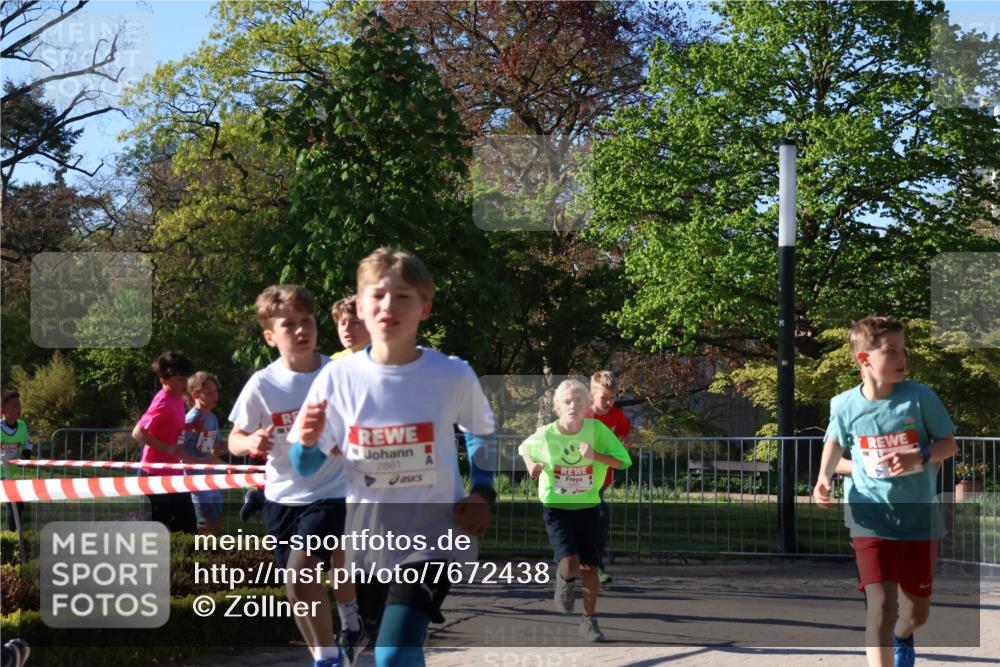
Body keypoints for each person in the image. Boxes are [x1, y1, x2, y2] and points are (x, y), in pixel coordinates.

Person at [289, 247, 497, 667]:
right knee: (391, 647)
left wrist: (483, 492)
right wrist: (307, 444)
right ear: (361, 307)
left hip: (434, 538)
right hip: (366, 545)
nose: (389, 306)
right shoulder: (337, 377)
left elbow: (480, 434)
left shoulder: (452, 373)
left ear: (425, 307)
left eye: (403, 296)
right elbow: (305, 467)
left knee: (393, 653)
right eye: (378, 295)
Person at [227, 284, 361, 667]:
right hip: (281, 497)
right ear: (271, 336)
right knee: (296, 587)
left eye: (307, 322)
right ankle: (326, 655)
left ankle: (335, 647)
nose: (302, 331)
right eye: (289, 325)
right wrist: (251, 440)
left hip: (334, 492)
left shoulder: (340, 373)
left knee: (300, 572)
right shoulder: (262, 384)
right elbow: (234, 438)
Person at [813, 316, 957, 667]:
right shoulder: (845, 404)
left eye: (903, 350)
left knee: (915, 613)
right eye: (891, 351)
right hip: (869, 517)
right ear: (864, 359)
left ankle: (904, 636)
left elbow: (949, 444)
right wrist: (822, 478)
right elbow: (834, 442)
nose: (901, 358)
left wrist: (920, 455)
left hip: (918, 519)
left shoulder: (919, 398)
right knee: (880, 605)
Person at [519, 379, 631, 642]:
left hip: (589, 506)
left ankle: (589, 621)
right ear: (558, 406)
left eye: (579, 401)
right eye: (567, 402)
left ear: (587, 406)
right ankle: (564, 580)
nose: (573, 406)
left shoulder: (597, 430)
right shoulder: (547, 433)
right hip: (557, 507)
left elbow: (623, 461)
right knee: (570, 564)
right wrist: (531, 466)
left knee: (590, 566)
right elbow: (525, 448)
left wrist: (595, 456)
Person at [132, 351, 200, 533]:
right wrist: (168, 448)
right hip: (154, 474)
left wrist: (190, 426)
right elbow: (138, 433)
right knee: (157, 530)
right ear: (164, 379)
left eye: (185, 379)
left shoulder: (177, 398)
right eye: (179, 379)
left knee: (187, 526)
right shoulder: (162, 402)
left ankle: (186, 561)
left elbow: (170, 427)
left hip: (174, 474)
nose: (184, 384)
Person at [585, 370, 633, 584]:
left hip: (601, 478)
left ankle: (595, 566)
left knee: (600, 520)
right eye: (603, 397)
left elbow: (625, 433)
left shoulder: (617, 416)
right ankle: (576, 560)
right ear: (592, 395)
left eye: (612, 398)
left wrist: (624, 442)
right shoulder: (584, 415)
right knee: (588, 520)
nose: (608, 402)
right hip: (579, 478)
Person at [182, 372, 227, 535]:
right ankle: (198, 555)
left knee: (216, 522)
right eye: (209, 393)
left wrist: (246, 441)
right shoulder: (189, 420)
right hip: (197, 483)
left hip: (212, 480)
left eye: (216, 391)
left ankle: (212, 554)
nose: (214, 396)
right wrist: (198, 462)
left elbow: (215, 448)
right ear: (195, 395)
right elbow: (177, 452)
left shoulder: (212, 418)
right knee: (206, 524)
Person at [1, 390, 33, 532]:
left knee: (17, 502)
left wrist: (26, 454)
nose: (18, 409)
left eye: (19, 405)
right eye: (13, 406)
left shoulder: (22, 426)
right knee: (13, 501)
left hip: (13, 474)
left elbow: (27, 442)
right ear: (3, 409)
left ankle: (14, 536)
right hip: (1, 474)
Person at [331, 294, 371, 360]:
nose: (346, 329)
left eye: (354, 322)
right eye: (343, 323)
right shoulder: (332, 362)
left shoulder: (389, 359)